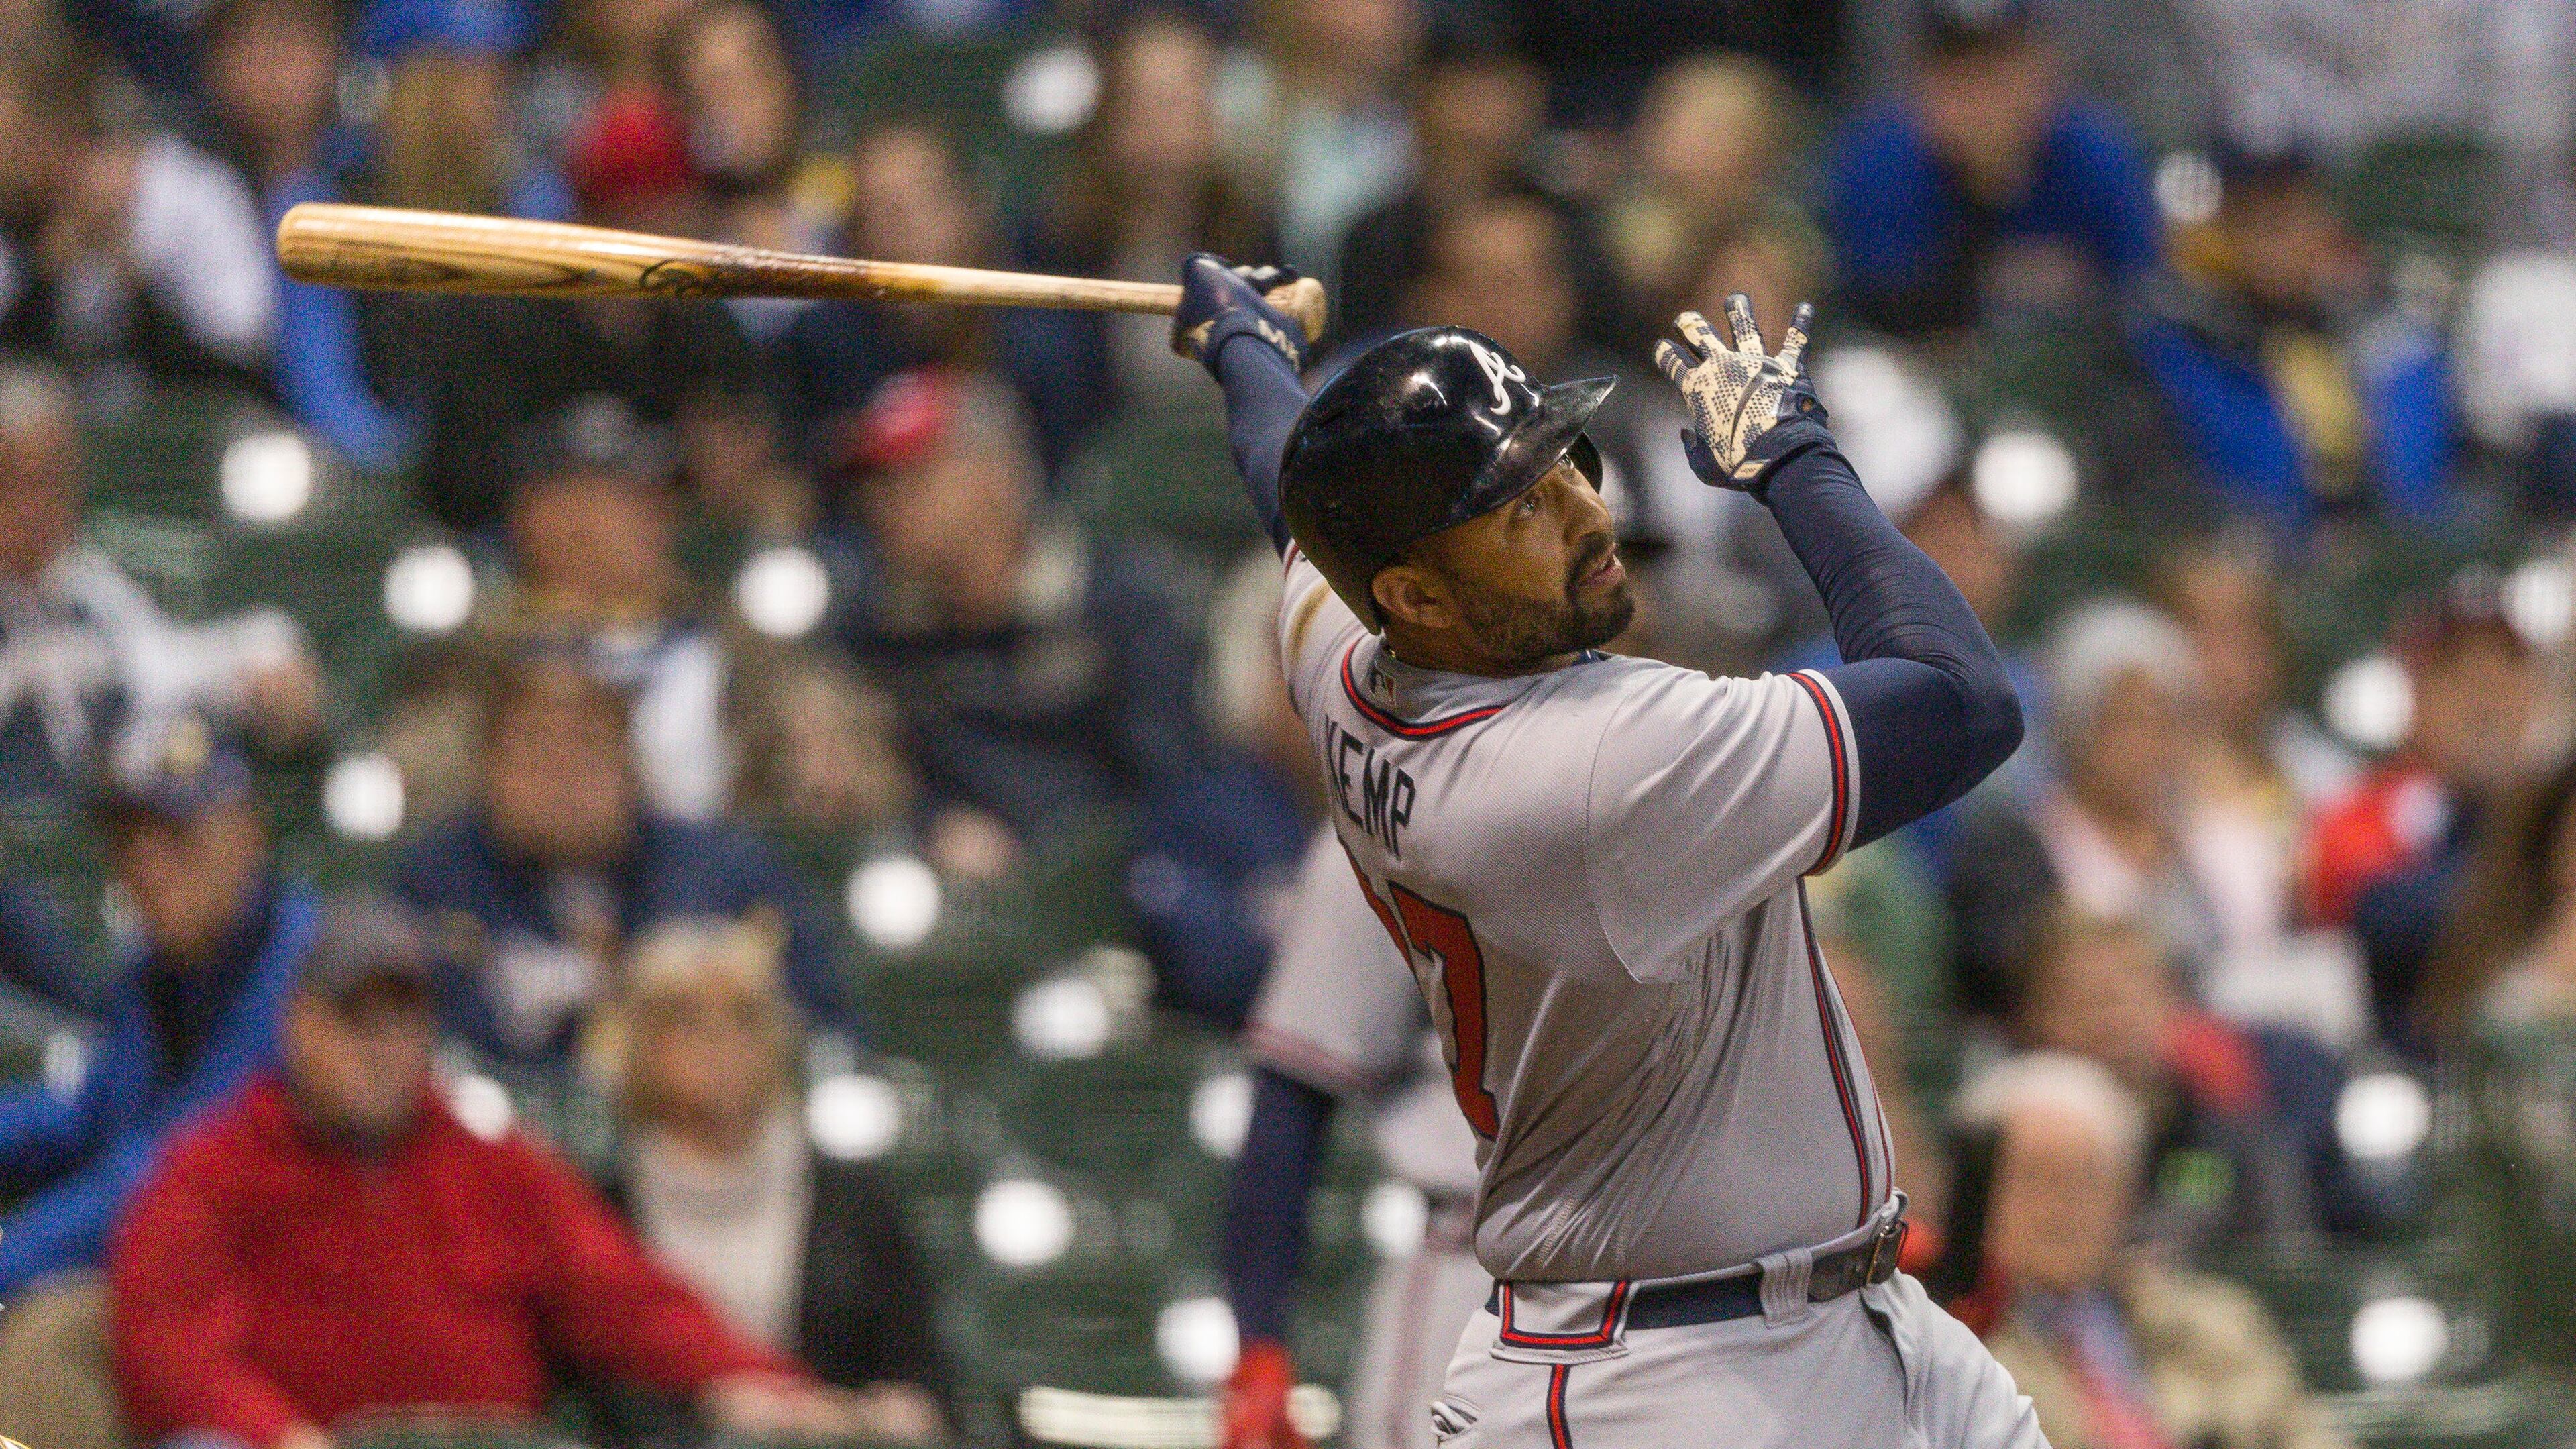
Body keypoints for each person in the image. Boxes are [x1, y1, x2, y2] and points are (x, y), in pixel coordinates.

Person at [1176, 243, 2029, 1446]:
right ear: (1420, 594)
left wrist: (1245, 351)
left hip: (1832, 1322)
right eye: (1520, 510)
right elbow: (1966, 702)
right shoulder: (1592, 766)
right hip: (1673, 1375)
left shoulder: (1354, 653)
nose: (1587, 512)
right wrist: (1796, 464)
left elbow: (1282, 479)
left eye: (1564, 467)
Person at [108, 894, 880, 1449]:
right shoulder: (211, 1168)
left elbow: (626, 1301)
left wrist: (769, 1387)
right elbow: (168, 1353)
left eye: (403, 1015)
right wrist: (280, 1436)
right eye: (354, 1017)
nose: (381, 1045)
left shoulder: (490, 1159)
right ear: (297, 1023)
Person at [0, 716, 321, 1449]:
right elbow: (86, 1114)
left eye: (176, 834)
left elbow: (163, 1170)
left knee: (45, 1340)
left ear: (247, 833)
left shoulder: (307, 967)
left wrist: (7, 1252)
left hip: (281, 1290)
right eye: (127, 838)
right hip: (182, 1278)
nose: (146, 863)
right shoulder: (160, 971)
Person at [824, 368, 1209, 869]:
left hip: (1114, 889)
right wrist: (929, 826)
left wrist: (1049, 853)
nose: (882, 504)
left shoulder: (1121, 606)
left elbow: (1171, 780)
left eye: (913, 477)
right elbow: (872, 780)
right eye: (876, 485)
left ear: (994, 478)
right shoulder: (873, 632)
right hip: (943, 902)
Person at [392, 656, 856, 1068]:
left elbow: (824, 1031)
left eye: (586, 751)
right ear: (488, 771)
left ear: (630, 768)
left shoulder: (728, 877)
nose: (562, 780)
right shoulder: (434, 884)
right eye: (534, 754)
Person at [596, 918, 949, 1440]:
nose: (719, 1042)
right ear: (637, 1047)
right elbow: (596, 1386)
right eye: (686, 1019)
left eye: (744, 1018)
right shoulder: (602, 1205)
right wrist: (714, 1416)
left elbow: (925, 1375)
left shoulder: (854, 1196)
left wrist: (871, 1417)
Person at [1219, 828, 1486, 1449]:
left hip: (1718, 1278)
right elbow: (1291, 1101)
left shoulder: (1724, 796)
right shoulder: (1393, 821)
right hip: (1487, 1277)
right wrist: (1258, 1345)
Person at [1954, 1053, 2348, 1449]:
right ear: (1978, 1192)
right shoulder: (1950, 1344)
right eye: (2036, 1178)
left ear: (2125, 1196)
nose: (2064, 1208)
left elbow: (2306, 1435)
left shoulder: (2212, 1320)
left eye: (2086, 1180)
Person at [0, 358, 321, 810]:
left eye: (50, 483)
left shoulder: (92, 591)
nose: (32, 509)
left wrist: (268, 659)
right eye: (9, 483)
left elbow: (172, 667)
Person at [2127, 144, 2453, 537]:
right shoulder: (2178, 341)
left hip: (2380, 560)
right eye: (2261, 220)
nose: (2285, 240)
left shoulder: (2378, 334)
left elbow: (2418, 488)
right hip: (2250, 559)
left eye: (2298, 214)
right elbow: (2234, 488)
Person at [1824, 0, 2161, 337]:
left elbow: (2148, 303)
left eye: (2000, 74)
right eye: (1957, 79)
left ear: (2045, 70)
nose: (1982, 102)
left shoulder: (2096, 158)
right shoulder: (1877, 170)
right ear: (1919, 84)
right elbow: (1873, 314)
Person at [2304, 574, 2540, 1048]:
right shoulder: (2359, 811)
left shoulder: (2551, 807)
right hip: (2404, 1053)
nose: (2484, 703)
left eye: (2503, 677)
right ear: (2416, 691)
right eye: (2462, 678)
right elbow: (2375, 916)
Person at [0, 25, 278, 389]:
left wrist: (129, 269)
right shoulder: (21, 226)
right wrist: (44, 272)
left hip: (196, 424)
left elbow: (242, 359)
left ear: (55, 130)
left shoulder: (188, 193)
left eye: (8, 140)